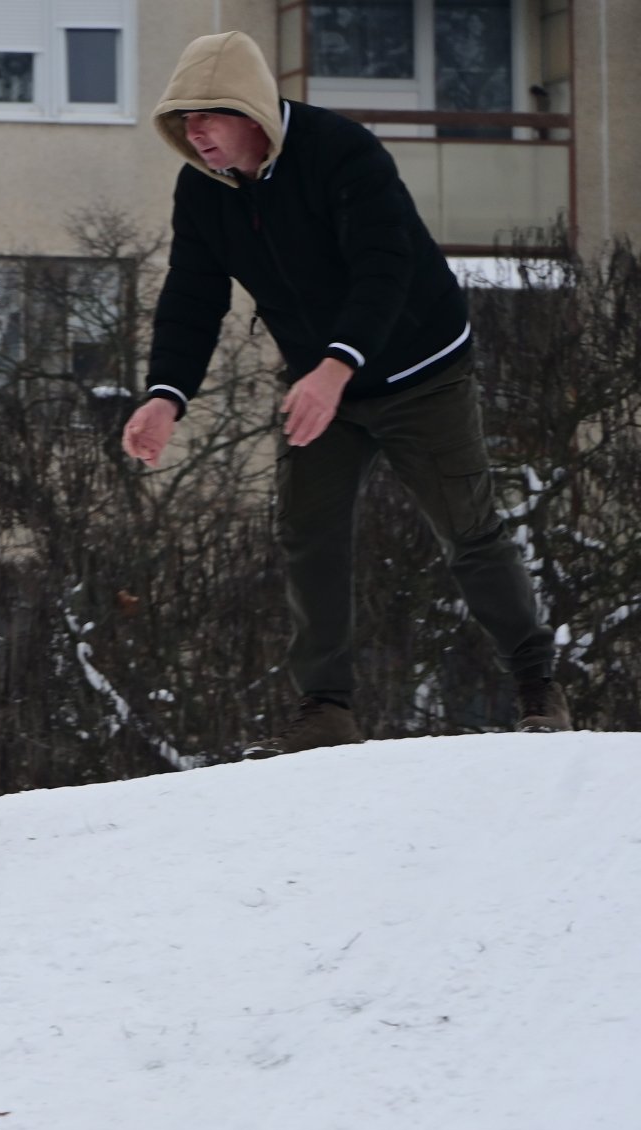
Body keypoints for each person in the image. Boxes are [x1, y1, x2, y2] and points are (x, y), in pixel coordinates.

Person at [120, 30, 571, 756]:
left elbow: (383, 268)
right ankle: (326, 710)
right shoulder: (203, 192)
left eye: (208, 114)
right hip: (320, 388)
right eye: (183, 118)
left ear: (253, 111)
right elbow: (192, 297)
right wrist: (166, 395)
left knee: (469, 532)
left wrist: (336, 365)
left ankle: (539, 688)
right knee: (310, 534)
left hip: (422, 371)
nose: (193, 131)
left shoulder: (342, 153)